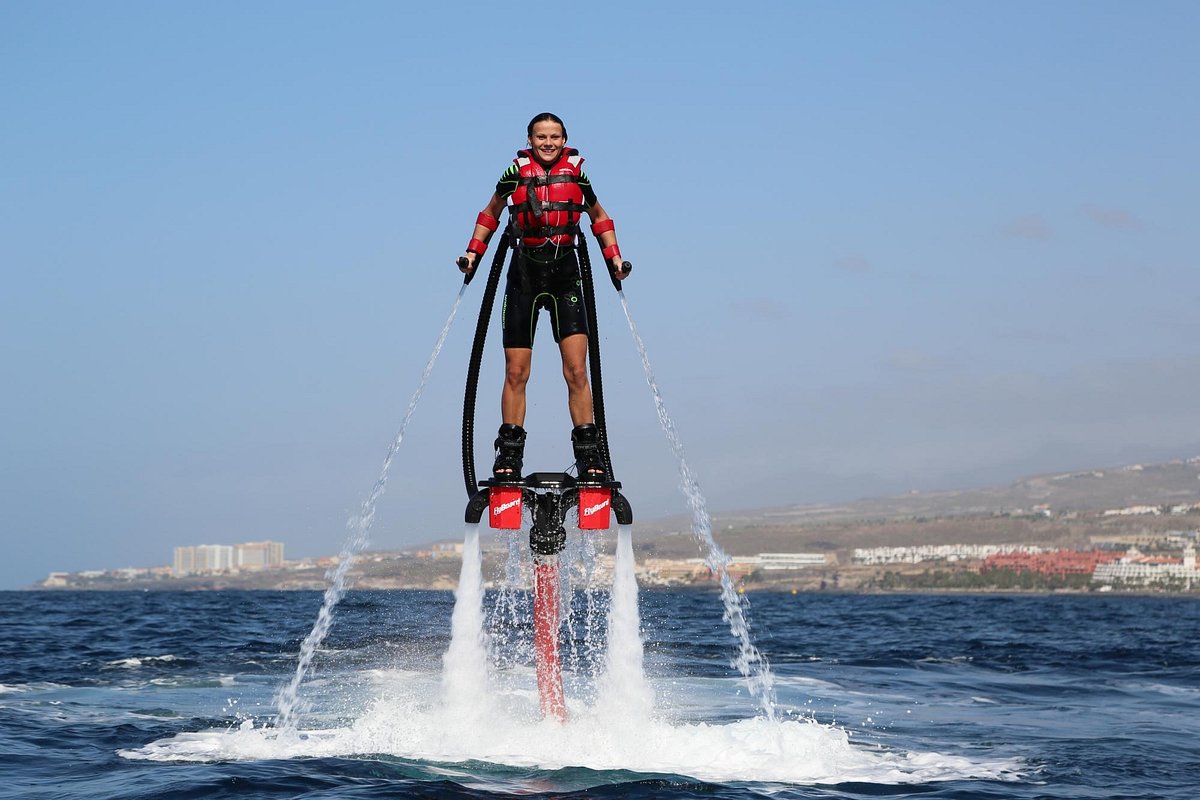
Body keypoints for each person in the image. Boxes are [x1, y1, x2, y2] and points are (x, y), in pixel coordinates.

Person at [458, 112, 631, 483]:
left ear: (564, 139)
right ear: (530, 140)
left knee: (576, 370)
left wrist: (614, 257)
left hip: (567, 279)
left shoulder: (578, 176)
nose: (548, 143)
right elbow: (490, 214)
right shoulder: (513, 175)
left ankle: (589, 457)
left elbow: (599, 216)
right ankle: (509, 456)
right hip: (523, 278)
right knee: (516, 371)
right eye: (541, 137)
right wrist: (473, 253)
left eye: (554, 137)